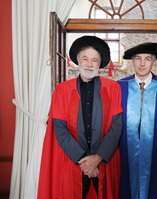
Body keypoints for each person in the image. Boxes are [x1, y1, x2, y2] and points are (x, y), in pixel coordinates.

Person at [38, 36, 123, 199]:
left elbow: (116, 127)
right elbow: (60, 128)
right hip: (73, 161)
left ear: (100, 64)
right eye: (85, 59)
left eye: (94, 60)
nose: (89, 64)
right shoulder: (62, 90)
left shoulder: (113, 88)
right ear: (78, 60)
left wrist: (97, 159)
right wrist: (85, 162)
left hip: (103, 161)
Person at [117, 42, 157, 199]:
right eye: (138, 59)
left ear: (154, 62)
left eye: (147, 59)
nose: (142, 63)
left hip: (156, 152)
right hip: (124, 152)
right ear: (133, 61)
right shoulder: (120, 87)